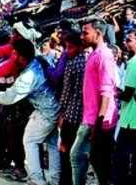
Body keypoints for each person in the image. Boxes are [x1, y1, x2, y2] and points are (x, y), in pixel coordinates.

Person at [0, 39, 61, 185]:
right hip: (53, 108)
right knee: (51, 144)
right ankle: (55, 180)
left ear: (21, 56)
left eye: (14, 54)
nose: (12, 57)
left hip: (46, 111)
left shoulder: (28, 75)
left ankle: (37, 180)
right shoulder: (37, 61)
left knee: (29, 140)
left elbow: (10, 97)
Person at [70, 17, 118, 185]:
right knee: (93, 162)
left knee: (80, 157)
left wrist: (97, 125)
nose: (81, 36)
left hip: (96, 122)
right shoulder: (94, 54)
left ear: (98, 33)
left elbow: (107, 93)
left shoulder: (104, 56)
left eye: (85, 33)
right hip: (90, 119)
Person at [113, 29, 136, 185]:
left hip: (131, 119)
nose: (125, 43)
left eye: (129, 40)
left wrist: (113, 92)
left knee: (121, 160)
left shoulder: (135, 62)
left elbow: (127, 94)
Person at [57, 30, 86, 185]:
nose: (67, 52)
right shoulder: (87, 61)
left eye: (70, 48)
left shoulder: (72, 64)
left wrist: (61, 114)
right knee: (77, 154)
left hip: (70, 115)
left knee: (64, 150)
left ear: (79, 47)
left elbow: (66, 92)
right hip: (84, 117)